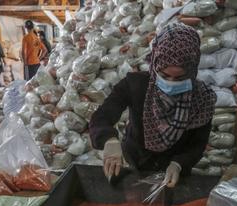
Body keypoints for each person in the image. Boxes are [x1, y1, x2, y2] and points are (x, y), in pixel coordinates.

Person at [89, 23, 216, 188]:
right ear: (155, 63)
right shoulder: (135, 85)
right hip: (136, 159)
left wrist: (179, 164)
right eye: (164, 75)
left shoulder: (202, 98)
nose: (170, 84)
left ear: (193, 71)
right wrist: (109, 140)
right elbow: (101, 117)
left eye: (179, 78)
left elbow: (198, 143)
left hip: (173, 169)